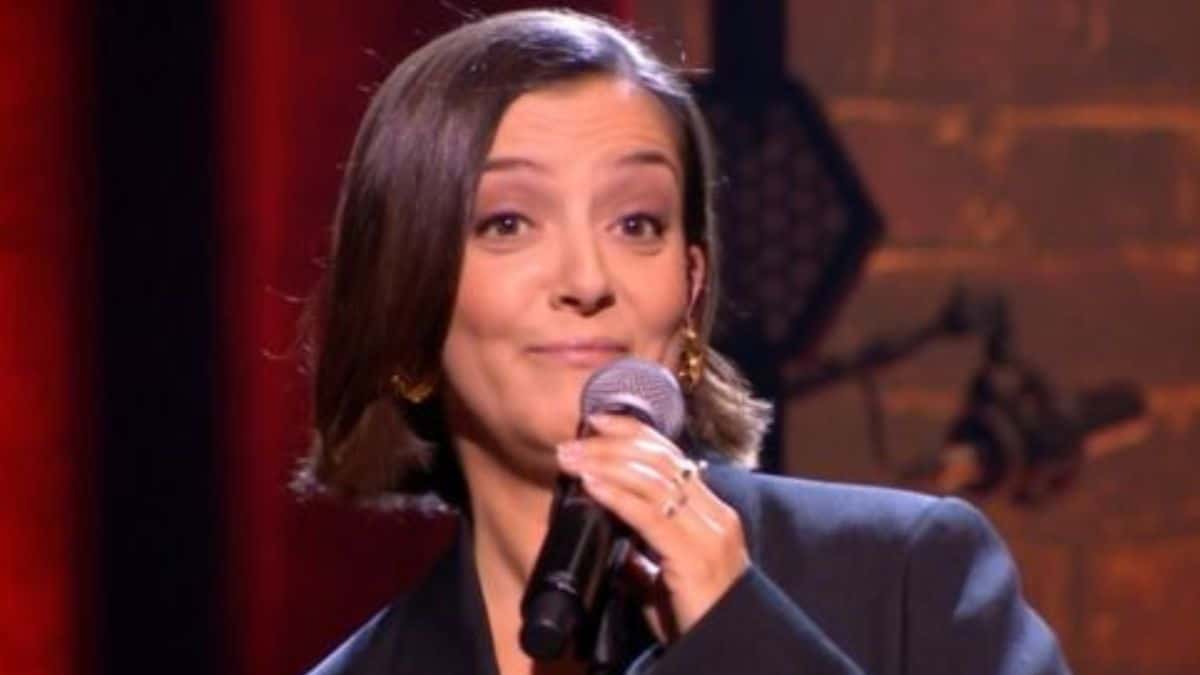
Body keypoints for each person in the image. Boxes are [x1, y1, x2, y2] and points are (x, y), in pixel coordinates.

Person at [297, 8, 1070, 675]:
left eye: (637, 223)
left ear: (691, 291)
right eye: (508, 222)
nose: (588, 278)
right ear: (407, 306)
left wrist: (740, 633)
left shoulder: (906, 576)